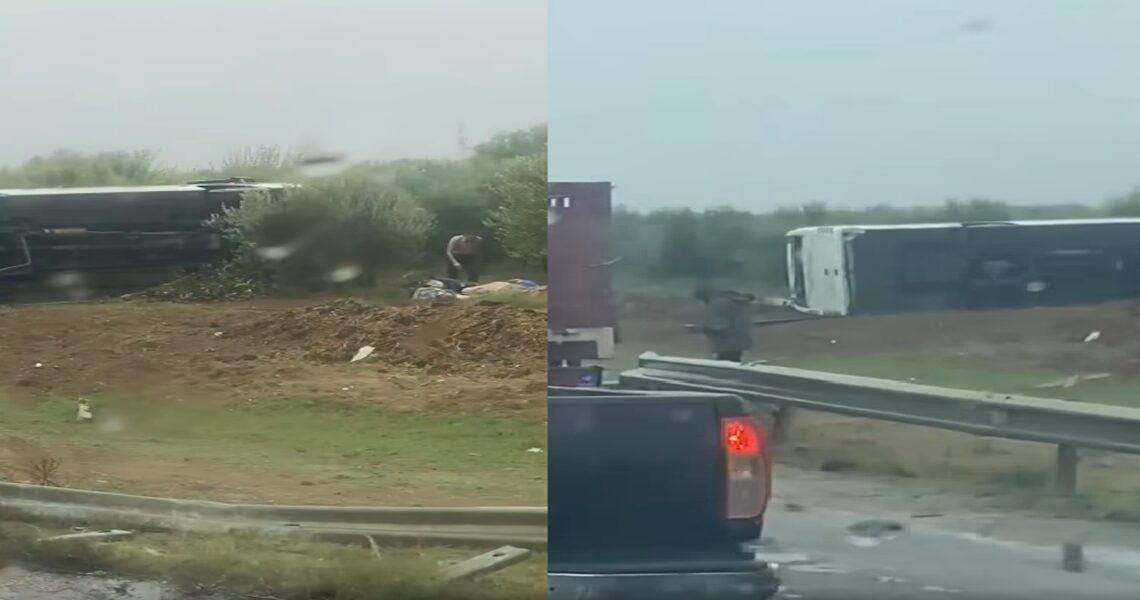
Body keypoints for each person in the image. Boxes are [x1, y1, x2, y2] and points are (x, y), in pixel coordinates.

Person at [694, 287, 754, 362]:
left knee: (726, 363)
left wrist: (703, 329)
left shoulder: (719, 303)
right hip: (736, 343)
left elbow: (719, 325)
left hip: (727, 344)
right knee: (734, 360)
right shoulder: (735, 302)